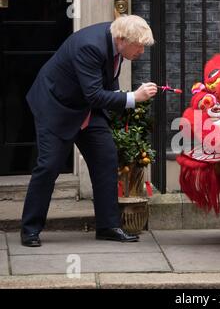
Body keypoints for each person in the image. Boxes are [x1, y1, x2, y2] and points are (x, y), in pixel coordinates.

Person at [20, 15, 158, 247]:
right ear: (122, 39)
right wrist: (134, 97)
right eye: (139, 45)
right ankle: (30, 229)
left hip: (87, 108)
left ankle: (108, 226)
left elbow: (106, 81)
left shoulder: (117, 41)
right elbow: (94, 94)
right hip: (57, 106)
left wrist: (120, 102)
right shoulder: (90, 46)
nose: (142, 51)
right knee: (49, 166)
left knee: (106, 158)